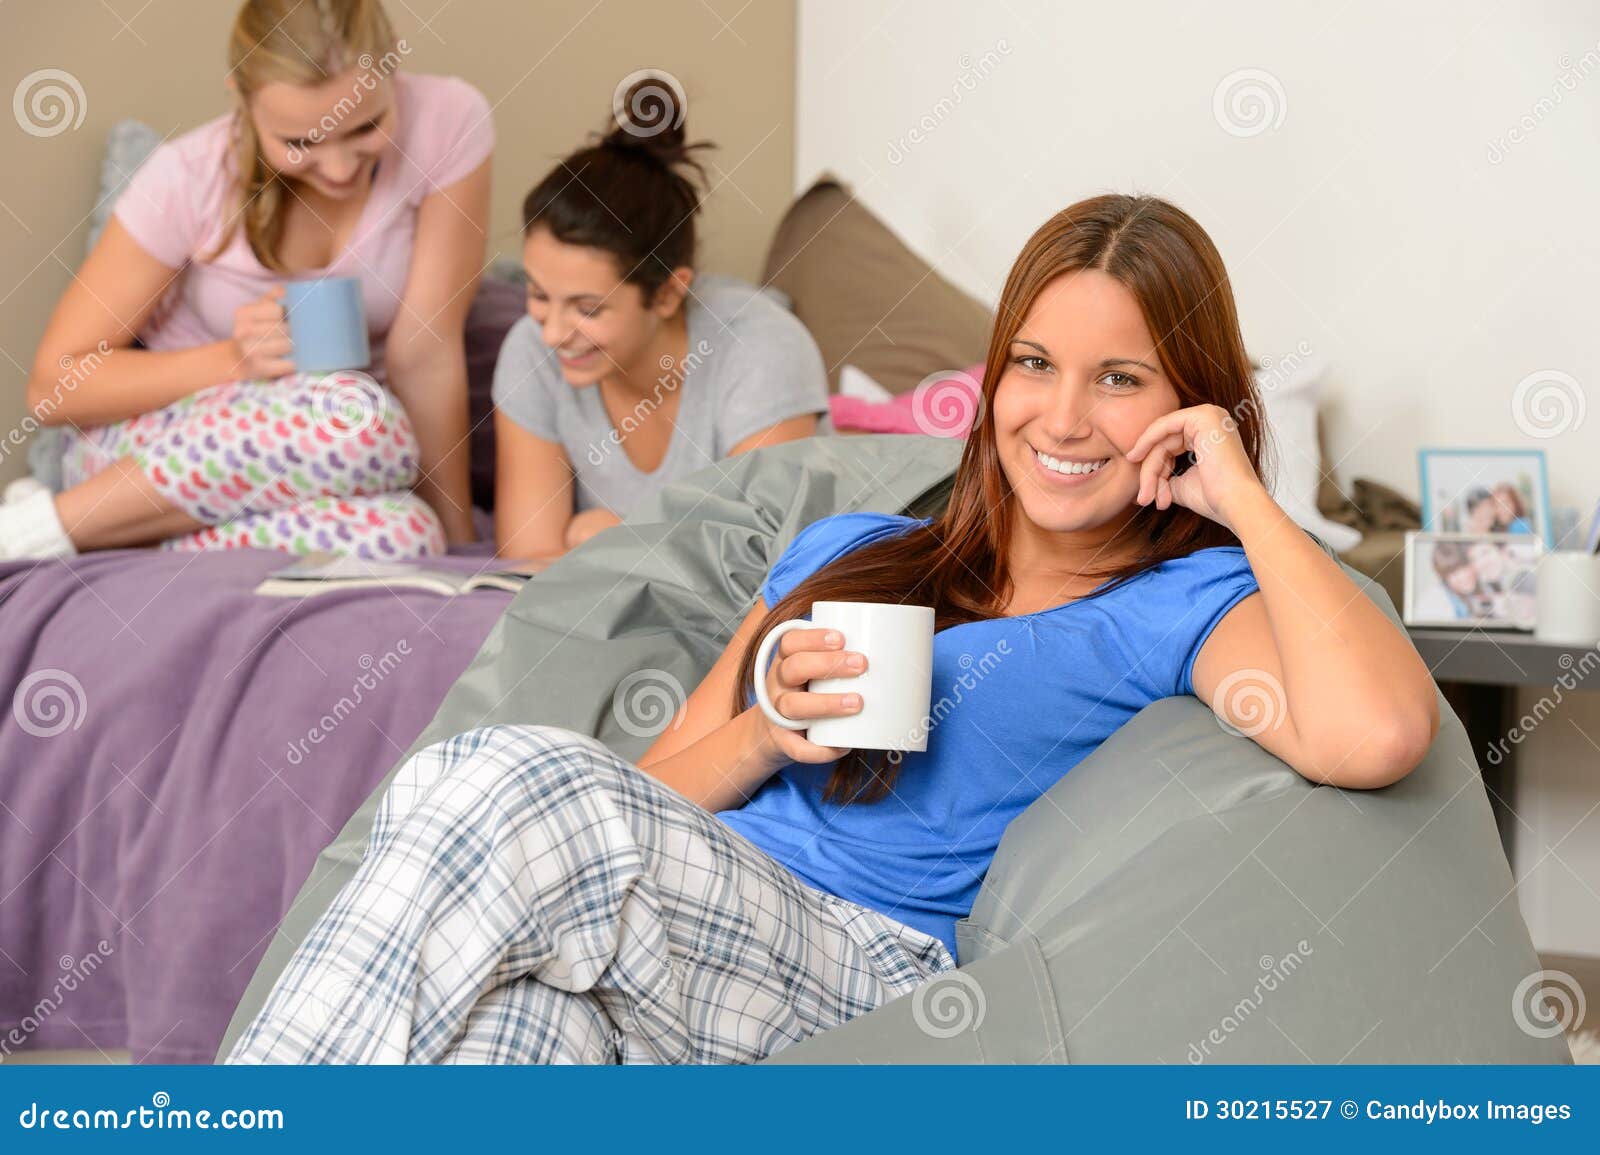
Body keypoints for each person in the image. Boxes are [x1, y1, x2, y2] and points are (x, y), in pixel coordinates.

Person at [227, 194, 1439, 1064]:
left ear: (1190, 406)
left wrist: (1244, 496)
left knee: (500, 773)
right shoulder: (852, 552)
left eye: (1119, 379)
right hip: (673, 941)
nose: (1061, 416)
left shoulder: (1180, 605)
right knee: (514, 1033)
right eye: (1031, 364)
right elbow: (641, 803)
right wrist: (766, 732)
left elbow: (1378, 732)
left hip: (857, 976)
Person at [2, 0, 489, 560]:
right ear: (241, 97)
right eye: (300, 143)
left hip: (330, 460)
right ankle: (31, 532)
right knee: (361, 419)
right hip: (150, 447)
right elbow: (52, 389)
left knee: (408, 536)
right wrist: (233, 361)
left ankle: (131, 542)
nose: (338, 169)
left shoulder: (448, 119)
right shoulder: (185, 177)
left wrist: (460, 547)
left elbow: (424, 351)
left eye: (366, 126)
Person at [492, 78, 826, 559]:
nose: (552, 332)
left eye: (588, 308)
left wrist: (602, 536)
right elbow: (530, 562)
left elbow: (759, 565)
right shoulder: (529, 349)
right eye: (539, 294)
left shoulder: (762, 350)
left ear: (669, 292)